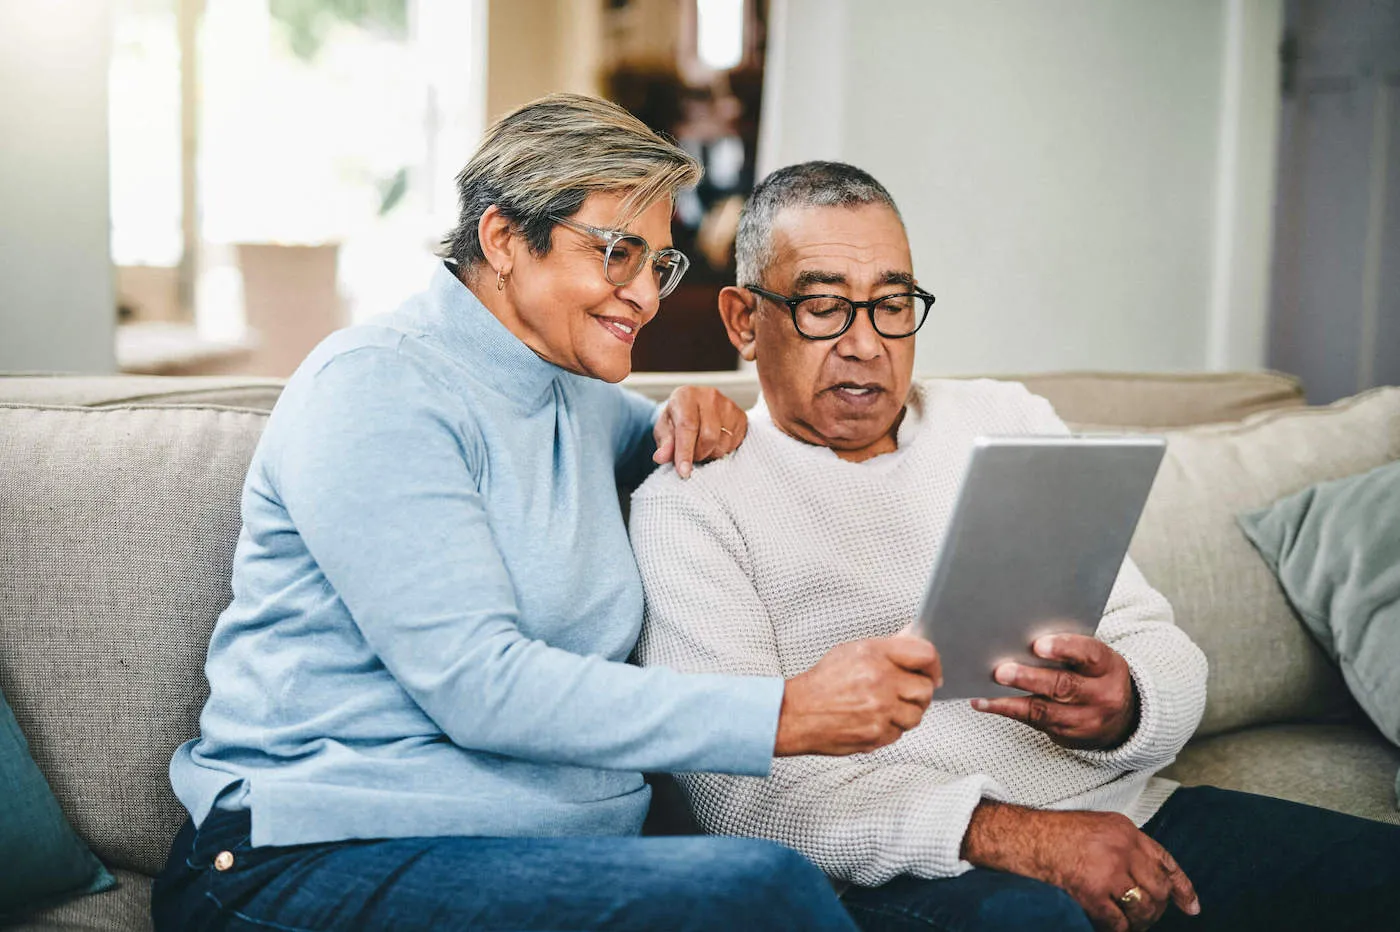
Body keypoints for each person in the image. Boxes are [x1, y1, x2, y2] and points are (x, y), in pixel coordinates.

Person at [153, 99, 944, 931]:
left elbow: (697, 453)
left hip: (548, 857)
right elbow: (480, 686)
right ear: (501, 240)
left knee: (966, 906)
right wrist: (784, 712)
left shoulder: (579, 399)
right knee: (761, 890)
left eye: (660, 266)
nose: (643, 295)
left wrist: (699, 411)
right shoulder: (375, 386)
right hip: (310, 859)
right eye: (616, 254)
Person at [630, 160, 1400, 932]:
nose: (865, 344)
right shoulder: (697, 497)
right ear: (742, 319)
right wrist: (1022, 837)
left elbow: (1162, 647)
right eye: (825, 307)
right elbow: (736, 793)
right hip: (917, 868)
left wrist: (1126, 704)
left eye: (893, 305)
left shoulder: (1005, 420)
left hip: (1128, 818)